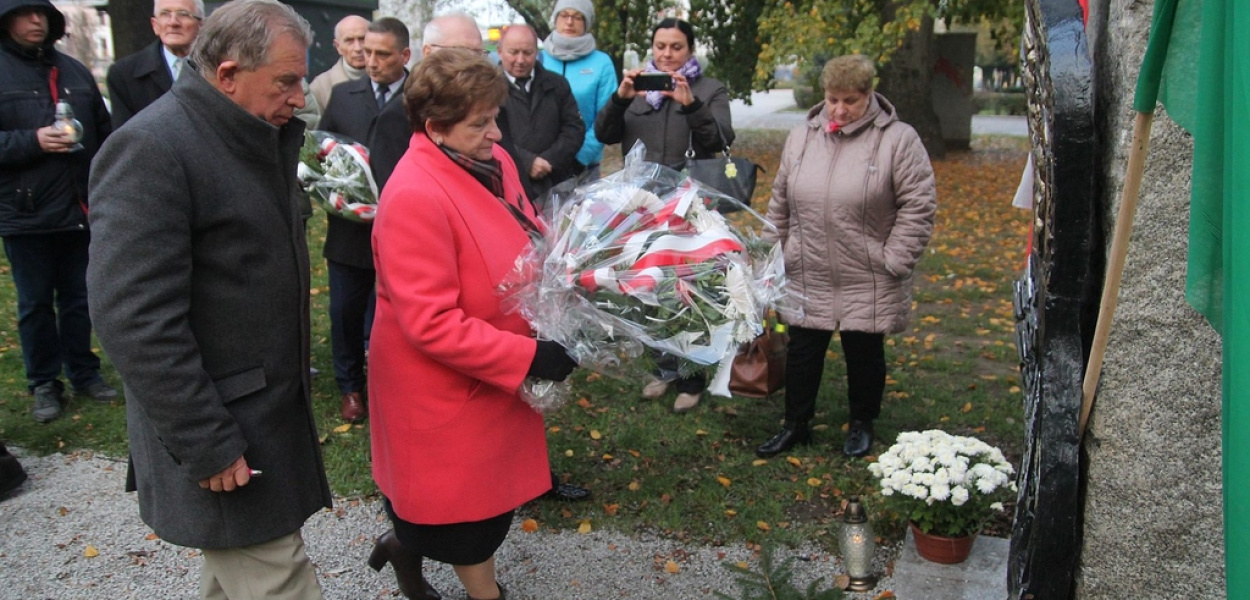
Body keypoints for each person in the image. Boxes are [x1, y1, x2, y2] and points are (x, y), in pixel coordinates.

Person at [86, 1, 333, 598]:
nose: (299, 96)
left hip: (258, 419)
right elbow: (133, 318)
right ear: (227, 74)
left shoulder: (247, 134)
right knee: (278, 578)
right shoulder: (153, 148)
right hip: (224, 428)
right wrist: (206, 442)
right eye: (286, 81)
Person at [367, 48, 577, 600]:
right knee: (467, 521)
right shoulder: (414, 195)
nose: (497, 133)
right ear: (434, 127)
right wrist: (530, 357)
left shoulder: (489, 158)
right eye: (480, 123)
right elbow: (431, 323)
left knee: (480, 502)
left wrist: (576, 262)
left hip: (487, 362)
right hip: (441, 382)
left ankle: (403, 548)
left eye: (495, 117)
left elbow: (523, 226)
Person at [754, 55, 936, 459]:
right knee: (802, 350)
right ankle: (795, 424)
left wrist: (895, 259)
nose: (839, 109)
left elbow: (918, 205)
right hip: (808, 266)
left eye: (850, 100)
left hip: (867, 270)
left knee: (864, 353)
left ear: (869, 95)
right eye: (832, 99)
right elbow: (780, 201)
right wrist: (772, 252)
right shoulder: (801, 137)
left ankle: (861, 424)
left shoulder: (898, 140)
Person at [593, 17, 734, 413]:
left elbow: (721, 138)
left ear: (690, 49)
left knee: (688, 291)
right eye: (660, 46)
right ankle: (663, 368)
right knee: (648, 287)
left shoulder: (709, 89)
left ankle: (691, 376)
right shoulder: (638, 89)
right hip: (642, 205)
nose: (667, 54)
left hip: (689, 207)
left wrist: (692, 105)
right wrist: (621, 97)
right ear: (651, 48)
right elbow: (604, 134)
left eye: (676, 47)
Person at [0, 0, 117, 424]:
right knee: (34, 304)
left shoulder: (74, 71)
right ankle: (44, 383)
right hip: (25, 210)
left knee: (79, 297)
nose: (36, 21)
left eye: (43, 14)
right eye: (25, 13)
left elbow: (104, 134)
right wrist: (33, 141)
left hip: (78, 206)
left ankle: (84, 372)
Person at [318, 16, 409, 423]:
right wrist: (334, 191)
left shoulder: (420, 98)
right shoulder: (343, 95)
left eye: (382, 54)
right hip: (349, 228)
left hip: (403, 226)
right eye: (367, 52)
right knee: (345, 310)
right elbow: (321, 151)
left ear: (404, 55)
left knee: (403, 310)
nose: (370, 60)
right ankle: (350, 387)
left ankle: (397, 382)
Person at [496, 24, 583, 206]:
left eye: (527, 53)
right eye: (513, 52)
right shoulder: (488, 89)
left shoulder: (557, 84)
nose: (520, 60)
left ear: (537, 52)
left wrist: (549, 160)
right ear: (500, 51)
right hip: (511, 185)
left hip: (558, 182)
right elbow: (491, 137)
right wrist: (527, 162)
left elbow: (574, 128)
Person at [539, 0, 616, 179]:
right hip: (541, 165)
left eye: (577, 17)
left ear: (587, 22)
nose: (569, 22)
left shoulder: (601, 63)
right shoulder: (538, 59)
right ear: (555, 19)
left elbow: (606, 117)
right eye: (564, 15)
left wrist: (580, 158)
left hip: (583, 167)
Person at [105, 0, 203, 129]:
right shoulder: (124, 74)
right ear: (155, 25)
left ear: (201, 25)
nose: (173, 22)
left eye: (183, 14)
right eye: (165, 14)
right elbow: (124, 135)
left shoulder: (218, 68)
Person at [309, 14, 368, 113]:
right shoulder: (321, 87)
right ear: (338, 47)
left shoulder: (389, 78)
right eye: (349, 41)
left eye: (362, 39)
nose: (358, 48)